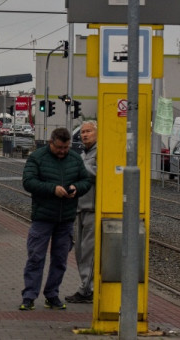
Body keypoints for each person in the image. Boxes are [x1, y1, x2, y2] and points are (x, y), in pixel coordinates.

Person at [19, 127, 93, 311]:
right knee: (36, 257)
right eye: (59, 147)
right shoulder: (37, 157)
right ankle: (29, 296)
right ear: (51, 143)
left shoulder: (75, 159)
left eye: (66, 147)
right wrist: (53, 189)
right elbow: (28, 182)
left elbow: (86, 181)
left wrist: (76, 188)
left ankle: (52, 295)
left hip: (66, 218)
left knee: (60, 260)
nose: (63, 151)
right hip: (43, 217)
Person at [65, 120, 98, 304]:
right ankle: (86, 285)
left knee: (88, 252)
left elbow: (98, 173)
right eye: (83, 132)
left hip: (93, 208)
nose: (84, 135)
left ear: (97, 133)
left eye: (89, 132)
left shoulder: (100, 152)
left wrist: (77, 167)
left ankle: (89, 289)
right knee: (80, 251)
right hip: (81, 207)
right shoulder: (86, 153)